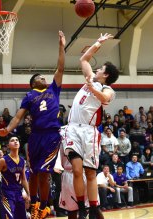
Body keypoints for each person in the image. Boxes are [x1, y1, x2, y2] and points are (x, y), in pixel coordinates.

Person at [0, 30, 66, 219]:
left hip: (51, 135)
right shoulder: (29, 96)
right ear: (33, 82)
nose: (44, 78)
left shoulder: (53, 89)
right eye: (41, 77)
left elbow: (60, 68)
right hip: (35, 136)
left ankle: (43, 206)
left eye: (44, 77)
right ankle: (34, 203)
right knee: (34, 173)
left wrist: (61, 46)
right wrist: (8, 130)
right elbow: (18, 117)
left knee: (43, 173)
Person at [64, 33, 119, 219]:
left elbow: (104, 99)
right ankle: (81, 206)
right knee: (77, 169)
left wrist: (91, 86)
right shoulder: (91, 78)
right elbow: (84, 59)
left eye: (100, 69)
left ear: (106, 75)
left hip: (89, 132)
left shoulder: (108, 89)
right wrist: (98, 42)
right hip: (72, 128)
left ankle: (94, 207)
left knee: (89, 172)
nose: (96, 70)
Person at [0, 135, 30, 219]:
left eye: (17, 140)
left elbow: (23, 179)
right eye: (12, 140)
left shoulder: (22, 161)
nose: (15, 141)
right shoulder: (3, 160)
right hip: (7, 194)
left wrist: (28, 194)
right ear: (8, 146)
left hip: (18, 193)